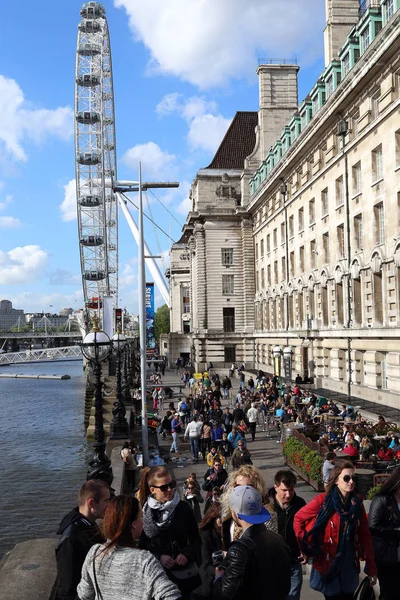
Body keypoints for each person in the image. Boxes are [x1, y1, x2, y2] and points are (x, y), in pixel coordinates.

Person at [294, 460, 377, 600]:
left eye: (353, 478)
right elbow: (298, 518)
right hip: (328, 560)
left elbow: (365, 536)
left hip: (349, 561)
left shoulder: (357, 503)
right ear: (336, 480)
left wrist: (372, 567)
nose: (351, 481)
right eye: (346, 478)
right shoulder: (322, 501)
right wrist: (304, 546)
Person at [77, 495, 181, 600]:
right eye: (141, 516)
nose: (143, 520)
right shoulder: (144, 560)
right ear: (134, 524)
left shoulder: (95, 552)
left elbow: (85, 594)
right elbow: (170, 595)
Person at [212, 486, 291, 600]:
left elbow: (225, 594)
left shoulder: (240, 549)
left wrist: (218, 578)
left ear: (235, 513)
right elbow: (285, 586)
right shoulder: (278, 539)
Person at [139, 466, 201, 597]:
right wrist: (159, 556)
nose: (169, 490)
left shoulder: (184, 508)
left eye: (171, 485)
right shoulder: (144, 513)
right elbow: (142, 546)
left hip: (184, 575)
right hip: (157, 575)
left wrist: (185, 554)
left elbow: (197, 540)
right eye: (164, 487)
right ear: (152, 490)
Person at [56, 480, 110, 600]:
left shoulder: (87, 526)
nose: (109, 505)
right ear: (91, 503)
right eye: (106, 501)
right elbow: (67, 589)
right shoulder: (71, 538)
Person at [268, 470, 306, 600]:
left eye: (291, 490)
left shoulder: (300, 504)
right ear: (276, 486)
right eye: (284, 490)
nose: (288, 494)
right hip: (271, 563)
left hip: (293, 561)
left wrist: (305, 549)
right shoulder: (266, 505)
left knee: (293, 597)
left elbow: (306, 530)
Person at [221, 465, 278, 546]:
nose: (243, 492)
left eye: (248, 487)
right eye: (239, 487)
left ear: (258, 489)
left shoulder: (267, 516)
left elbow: (270, 547)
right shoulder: (229, 513)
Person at [368, 466, 400, 600]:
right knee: (389, 593)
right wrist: (395, 532)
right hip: (388, 556)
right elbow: (373, 526)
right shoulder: (381, 499)